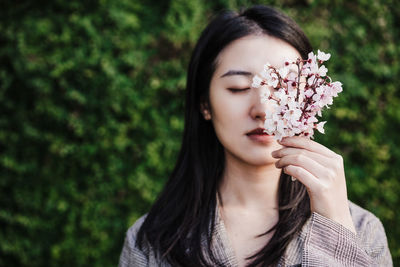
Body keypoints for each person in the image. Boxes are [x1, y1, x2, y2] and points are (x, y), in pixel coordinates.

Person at [118, 5, 392, 267]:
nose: (262, 109)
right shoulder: (151, 241)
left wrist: (335, 230)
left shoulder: (360, 229)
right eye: (238, 88)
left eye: (284, 86)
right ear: (204, 104)